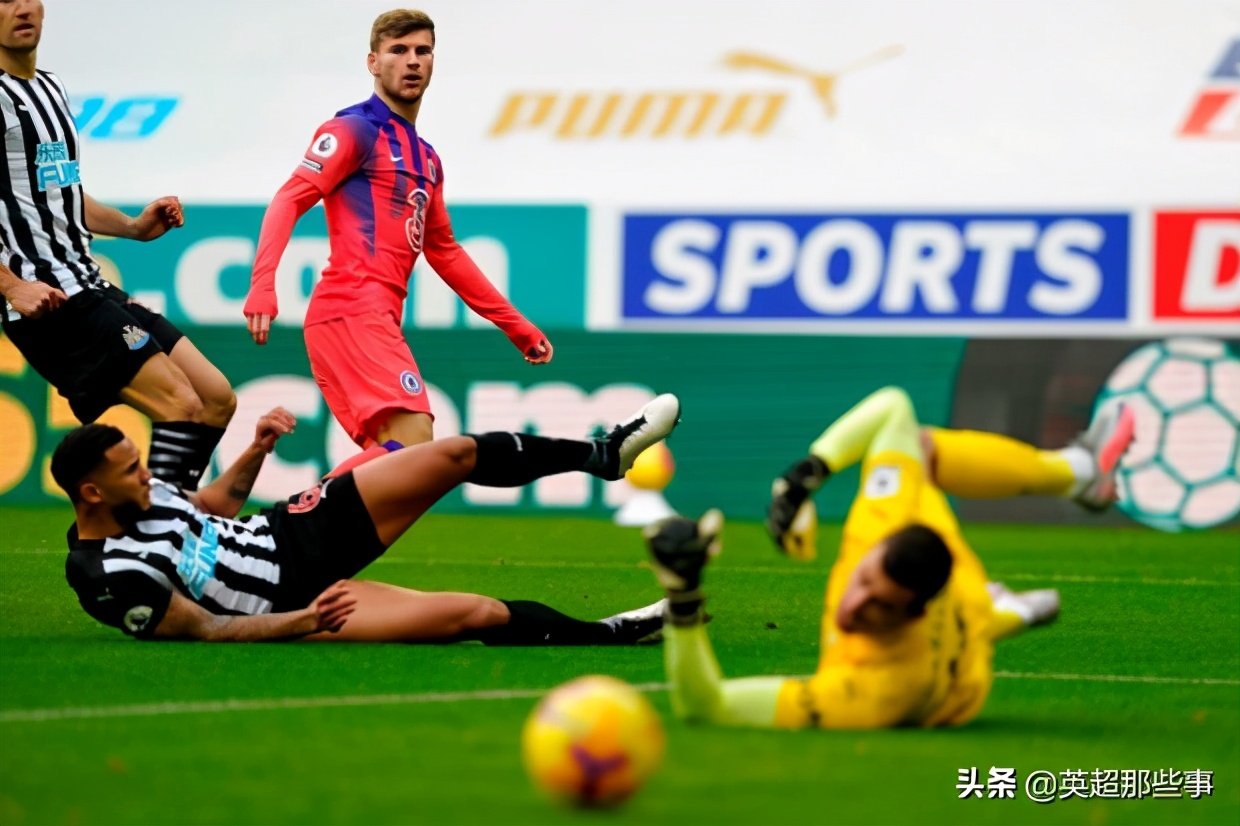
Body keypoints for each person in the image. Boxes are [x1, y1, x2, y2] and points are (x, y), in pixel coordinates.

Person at [642, 387, 1134, 729]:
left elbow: (705, 707)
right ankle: (1079, 473)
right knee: (915, 446)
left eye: (879, 606)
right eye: (863, 582)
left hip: (958, 678)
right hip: (947, 566)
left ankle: (1006, 609)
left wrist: (683, 597)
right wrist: (802, 480)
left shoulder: (875, 692)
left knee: (975, 621)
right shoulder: (884, 521)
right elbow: (893, 406)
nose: (853, 607)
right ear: (873, 549)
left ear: (911, 613)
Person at [54, 392, 681, 644]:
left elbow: (212, 510)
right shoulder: (106, 574)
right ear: (91, 493)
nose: (146, 474)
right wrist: (306, 619)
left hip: (290, 528)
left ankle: (605, 455)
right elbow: (206, 631)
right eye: (130, 470)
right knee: (478, 613)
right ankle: (613, 632)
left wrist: (255, 449)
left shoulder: (144, 494)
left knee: (455, 452)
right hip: (299, 601)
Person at [244, 8, 550, 476]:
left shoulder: (426, 159)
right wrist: (262, 284)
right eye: (398, 51)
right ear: (372, 62)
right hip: (351, 309)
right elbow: (288, 199)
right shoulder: (351, 129)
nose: (412, 61)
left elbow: (444, 251)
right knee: (413, 447)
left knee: (394, 464)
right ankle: (287, 526)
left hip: (371, 315)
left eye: (422, 51)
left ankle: (296, 532)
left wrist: (515, 326)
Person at [0, 0, 236, 490]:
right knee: (181, 407)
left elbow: (61, 193)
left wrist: (132, 226)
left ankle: (166, 531)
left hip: (87, 281)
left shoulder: (52, 87)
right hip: (48, 300)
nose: (20, 8)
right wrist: (11, 286)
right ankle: (156, 546)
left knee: (215, 398)